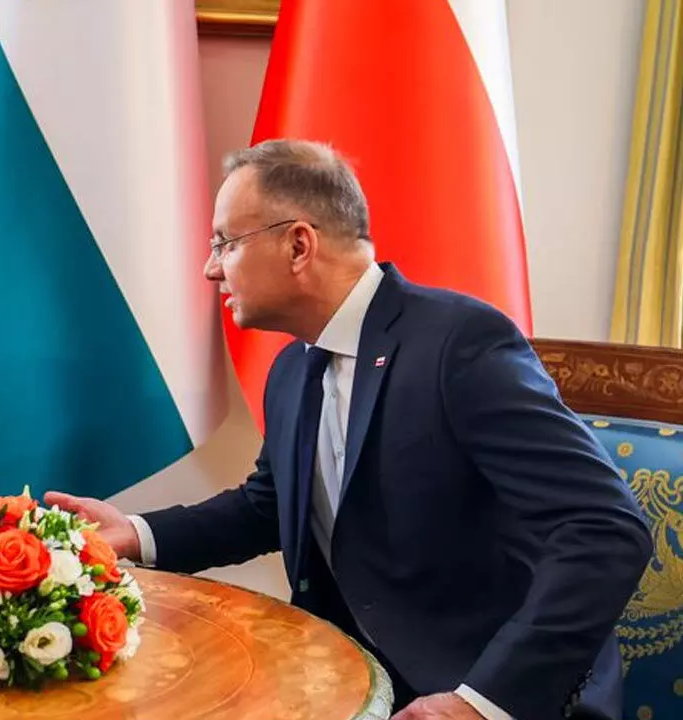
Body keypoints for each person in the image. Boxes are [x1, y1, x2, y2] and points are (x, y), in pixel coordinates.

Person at [47, 139, 652, 720]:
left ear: (299, 246)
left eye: (225, 243)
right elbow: (270, 506)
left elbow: (606, 530)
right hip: (344, 674)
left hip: (479, 689)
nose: (211, 269)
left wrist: (484, 701)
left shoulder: (458, 345)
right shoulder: (293, 367)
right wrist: (135, 533)